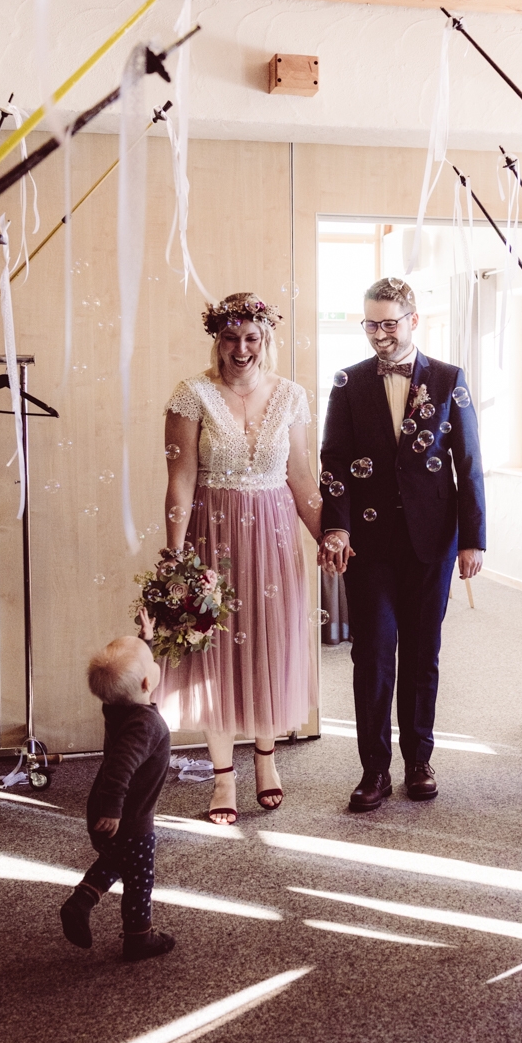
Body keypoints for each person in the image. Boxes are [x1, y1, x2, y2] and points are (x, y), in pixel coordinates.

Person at [318, 277, 486, 812]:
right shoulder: (348, 383)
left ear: (415, 320)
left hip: (432, 542)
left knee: (422, 653)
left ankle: (419, 759)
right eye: (371, 324)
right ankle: (374, 771)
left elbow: (470, 466)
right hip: (368, 546)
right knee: (370, 655)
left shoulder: (450, 379)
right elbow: (334, 461)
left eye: (389, 323)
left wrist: (473, 539)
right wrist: (336, 526)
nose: (380, 335)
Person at [162, 293, 322, 825]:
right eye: (230, 337)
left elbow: (301, 477)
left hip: (275, 534)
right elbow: (181, 479)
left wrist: (329, 537)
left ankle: (267, 761)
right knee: (216, 651)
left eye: (251, 337)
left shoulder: (292, 396)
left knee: (267, 643)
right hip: (215, 533)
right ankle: (223, 776)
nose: (241, 348)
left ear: (266, 339)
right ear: (217, 339)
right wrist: (175, 556)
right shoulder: (192, 395)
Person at [60, 611, 175, 962]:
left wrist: (145, 637)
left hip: (107, 813)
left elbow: (129, 676)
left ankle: (82, 901)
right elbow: (121, 766)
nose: (153, 661)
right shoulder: (146, 724)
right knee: (139, 878)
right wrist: (114, 809)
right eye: (150, 661)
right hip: (127, 819)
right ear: (145, 684)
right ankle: (139, 938)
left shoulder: (116, 707)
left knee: (115, 859)